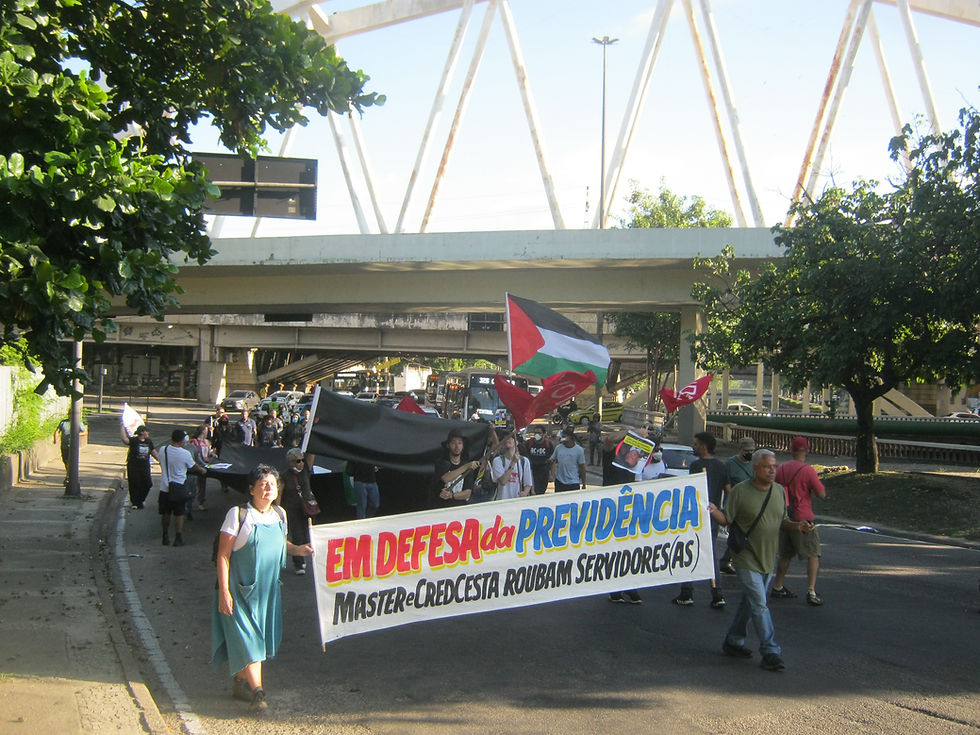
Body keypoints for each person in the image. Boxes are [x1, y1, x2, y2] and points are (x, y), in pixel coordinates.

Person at [212, 464, 313, 713]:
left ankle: (239, 683)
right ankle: (258, 692)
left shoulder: (280, 514)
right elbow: (223, 556)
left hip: (267, 593)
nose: (269, 488)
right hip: (238, 591)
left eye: (272, 484)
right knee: (250, 642)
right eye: (263, 484)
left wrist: (298, 550)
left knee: (258, 640)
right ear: (251, 489)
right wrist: (224, 592)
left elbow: (281, 543)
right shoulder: (237, 515)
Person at [707, 448, 814, 672]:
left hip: (767, 557)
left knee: (751, 602)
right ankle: (770, 651)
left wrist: (798, 526)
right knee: (760, 603)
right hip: (745, 556)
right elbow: (727, 519)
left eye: (774, 466)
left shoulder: (778, 491)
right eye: (767, 466)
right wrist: (713, 511)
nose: (773, 470)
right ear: (755, 468)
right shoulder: (740, 491)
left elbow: (782, 520)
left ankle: (734, 641)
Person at [672, 432, 727, 609]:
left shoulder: (696, 465)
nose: (693, 447)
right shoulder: (721, 466)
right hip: (714, 516)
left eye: (696, 444)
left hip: (697, 516)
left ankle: (687, 592)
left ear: (704, 446)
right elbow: (729, 489)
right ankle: (717, 594)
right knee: (710, 555)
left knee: (690, 552)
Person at [770, 436, 827, 606]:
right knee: (813, 554)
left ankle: (778, 586)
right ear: (806, 450)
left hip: (786, 517)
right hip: (804, 517)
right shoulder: (808, 470)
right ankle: (811, 590)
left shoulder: (781, 469)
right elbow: (821, 494)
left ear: (791, 449)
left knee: (785, 554)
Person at [158, 429, 206, 546]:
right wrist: (203, 470)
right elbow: (194, 466)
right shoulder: (185, 454)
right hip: (179, 486)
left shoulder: (163, 450)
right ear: (181, 440)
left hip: (165, 487)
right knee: (179, 513)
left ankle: (165, 535)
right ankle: (178, 537)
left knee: (166, 512)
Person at [718, 436, 757, 575]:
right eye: (747, 450)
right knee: (738, 533)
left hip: (752, 503)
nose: (750, 453)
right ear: (741, 450)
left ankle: (727, 560)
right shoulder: (730, 464)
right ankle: (730, 560)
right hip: (736, 504)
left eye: (752, 450)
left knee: (747, 533)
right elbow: (725, 485)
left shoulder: (754, 464)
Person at [280, 448, 317, 576]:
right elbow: (279, 494)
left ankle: (306, 554)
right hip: (292, 509)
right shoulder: (284, 476)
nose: (301, 463)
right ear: (291, 462)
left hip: (307, 508)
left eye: (302, 460)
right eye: (298, 461)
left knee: (308, 534)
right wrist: (277, 510)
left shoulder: (305, 470)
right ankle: (298, 563)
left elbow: (312, 453)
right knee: (297, 535)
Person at [433, 427, 485, 506]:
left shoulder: (468, 466)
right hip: (442, 508)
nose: (457, 446)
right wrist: (466, 467)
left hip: (460, 509)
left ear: (463, 446)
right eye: (453, 443)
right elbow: (445, 478)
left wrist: (451, 496)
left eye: (460, 443)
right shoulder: (442, 462)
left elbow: (468, 493)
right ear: (448, 445)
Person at [120, 424, 158, 509]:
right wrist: (122, 427)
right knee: (135, 484)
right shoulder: (134, 440)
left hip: (145, 466)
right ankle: (135, 502)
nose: (148, 433)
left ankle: (141, 499)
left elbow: (153, 452)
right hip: (133, 466)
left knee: (148, 484)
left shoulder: (149, 442)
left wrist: (162, 461)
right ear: (141, 432)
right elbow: (124, 440)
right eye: (146, 431)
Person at [490, 434, 533, 500]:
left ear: (516, 442)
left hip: (517, 501)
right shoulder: (498, 461)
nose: (507, 440)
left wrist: (525, 493)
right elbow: (503, 481)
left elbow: (528, 483)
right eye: (505, 439)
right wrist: (513, 463)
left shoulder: (524, 461)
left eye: (510, 438)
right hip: (501, 501)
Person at [54, 414, 87, 486]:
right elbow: (57, 431)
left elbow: (85, 432)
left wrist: (76, 434)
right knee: (65, 462)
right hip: (64, 445)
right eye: (70, 414)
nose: (71, 416)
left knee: (70, 462)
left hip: (72, 446)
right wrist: (55, 438)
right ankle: (69, 475)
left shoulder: (78, 423)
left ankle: (68, 477)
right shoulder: (63, 422)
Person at [550, 428, 586, 492]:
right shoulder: (558, 448)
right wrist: (552, 475)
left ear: (570, 438)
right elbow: (553, 460)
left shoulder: (579, 450)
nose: (562, 438)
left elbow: (582, 467)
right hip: (559, 482)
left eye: (564, 437)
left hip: (573, 482)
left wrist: (584, 484)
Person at [188, 424, 215, 512]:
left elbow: (209, 452)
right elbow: (192, 453)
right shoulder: (194, 442)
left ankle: (201, 502)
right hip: (196, 465)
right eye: (206, 430)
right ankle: (189, 503)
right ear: (203, 431)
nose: (207, 432)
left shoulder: (206, 442)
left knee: (202, 484)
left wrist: (212, 454)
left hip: (205, 464)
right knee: (193, 485)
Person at [524, 427, 554, 495]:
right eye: (535, 433)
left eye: (539, 433)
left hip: (543, 472)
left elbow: (553, 461)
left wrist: (551, 474)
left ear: (543, 434)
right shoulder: (528, 443)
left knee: (541, 491)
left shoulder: (548, 444)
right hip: (531, 471)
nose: (537, 435)